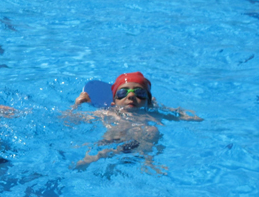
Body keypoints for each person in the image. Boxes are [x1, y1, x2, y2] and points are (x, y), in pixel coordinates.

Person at [69, 71, 201, 170]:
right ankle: (84, 164)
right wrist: (76, 105)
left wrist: (159, 106)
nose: (131, 96)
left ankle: (149, 162)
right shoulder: (108, 113)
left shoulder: (154, 113)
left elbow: (194, 118)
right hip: (111, 144)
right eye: (122, 93)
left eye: (140, 93)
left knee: (152, 130)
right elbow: (71, 120)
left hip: (139, 150)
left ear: (148, 101)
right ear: (114, 102)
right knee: (102, 154)